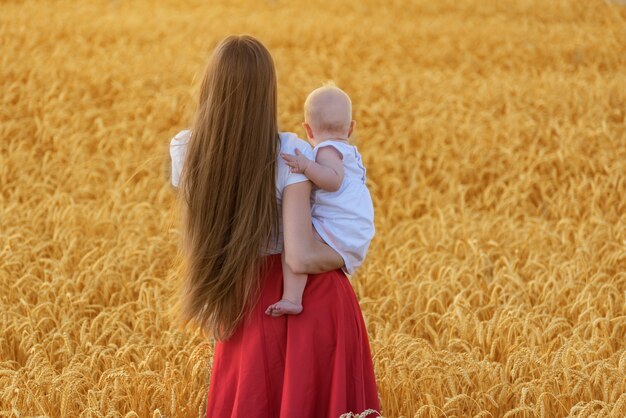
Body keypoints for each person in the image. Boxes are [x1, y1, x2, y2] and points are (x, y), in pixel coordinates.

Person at [169, 35, 381, 417]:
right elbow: (299, 255)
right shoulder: (290, 153)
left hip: (242, 300)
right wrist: (346, 251)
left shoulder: (186, 152)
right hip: (312, 304)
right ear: (267, 92)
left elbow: (202, 237)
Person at [265, 84, 375, 317]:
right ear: (351, 127)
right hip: (353, 229)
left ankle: (292, 298)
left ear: (308, 130)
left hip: (338, 227)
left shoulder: (327, 150)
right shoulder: (346, 150)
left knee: (294, 243)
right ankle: (292, 298)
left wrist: (306, 166)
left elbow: (333, 180)